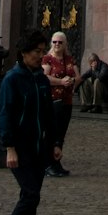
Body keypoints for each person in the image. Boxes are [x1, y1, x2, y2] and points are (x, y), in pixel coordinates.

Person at [0, 29, 61, 215]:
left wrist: (56, 142)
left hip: (38, 147)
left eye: (43, 50)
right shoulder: (12, 79)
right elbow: (5, 114)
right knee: (31, 195)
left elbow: (49, 115)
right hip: (20, 147)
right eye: (36, 51)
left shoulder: (41, 79)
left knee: (32, 196)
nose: (41, 55)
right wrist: (9, 147)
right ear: (24, 52)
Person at [40, 31, 78, 176]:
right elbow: (45, 77)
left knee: (61, 133)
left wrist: (72, 81)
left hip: (66, 100)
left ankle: (56, 162)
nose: (57, 44)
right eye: (55, 42)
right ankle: (47, 164)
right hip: (52, 100)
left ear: (65, 44)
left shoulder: (69, 59)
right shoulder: (47, 59)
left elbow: (77, 76)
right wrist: (61, 82)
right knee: (51, 132)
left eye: (60, 42)